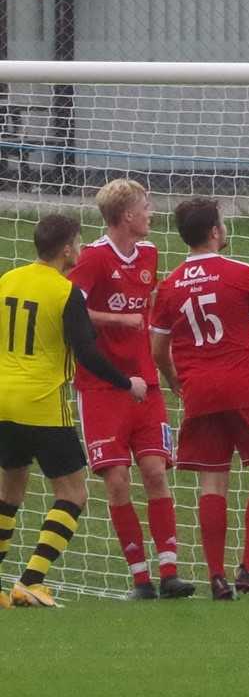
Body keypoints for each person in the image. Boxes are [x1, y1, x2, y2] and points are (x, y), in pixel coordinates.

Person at [0, 214, 147, 608]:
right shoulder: (65, 293)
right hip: (42, 404)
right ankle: (31, 579)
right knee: (74, 493)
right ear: (66, 249)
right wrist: (126, 383)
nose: (81, 249)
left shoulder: (7, 280)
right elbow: (87, 354)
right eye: (78, 243)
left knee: (9, 492)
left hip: (4, 400)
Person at [149, 197, 249, 601]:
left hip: (200, 391)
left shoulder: (170, 284)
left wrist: (176, 380)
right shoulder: (242, 273)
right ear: (214, 231)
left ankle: (217, 577)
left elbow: (158, 349)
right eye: (222, 223)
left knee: (213, 479)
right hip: (245, 388)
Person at [67, 179, 195, 601]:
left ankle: (170, 572)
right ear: (126, 216)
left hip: (146, 383)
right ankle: (140, 579)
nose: (152, 212)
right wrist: (118, 321)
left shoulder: (151, 255)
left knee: (156, 472)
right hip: (101, 386)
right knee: (118, 481)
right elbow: (72, 310)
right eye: (146, 206)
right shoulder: (93, 259)